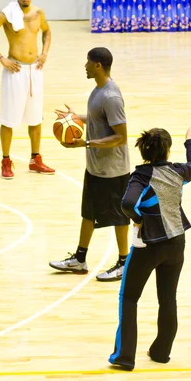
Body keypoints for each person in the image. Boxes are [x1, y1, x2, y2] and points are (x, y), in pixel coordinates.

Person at [109, 125, 191, 371]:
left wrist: (139, 219)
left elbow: (127, 203)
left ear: (144, 152)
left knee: (129, 298)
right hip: (177, 243)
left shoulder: (141, 175)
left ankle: (124, 356)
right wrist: (190, 140)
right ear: (168, 151)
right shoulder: (179, 171)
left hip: (148, 245)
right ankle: (161, 352)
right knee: (168, 298)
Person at [49, 47, 130, 282]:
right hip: (96, 167)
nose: (85, 66)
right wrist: (75, 118)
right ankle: (80, 259)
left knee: (119, 218)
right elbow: (97, 118)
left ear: (98, 66)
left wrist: (85, 143)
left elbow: (121, 137)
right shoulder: (98, 90)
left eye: (88, 62)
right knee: (88, 214)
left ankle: (124, 262)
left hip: (113, 170)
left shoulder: (111, 96)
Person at [0, 0, 55, 179]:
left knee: (36, 118)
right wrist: (1, 58)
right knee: (9, 119)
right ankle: (5, 160)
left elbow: (47, 31)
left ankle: (35, 159)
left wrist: (45, 53)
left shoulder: (39, 13)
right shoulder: (6, 13)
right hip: (15, 70)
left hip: (35, 70)